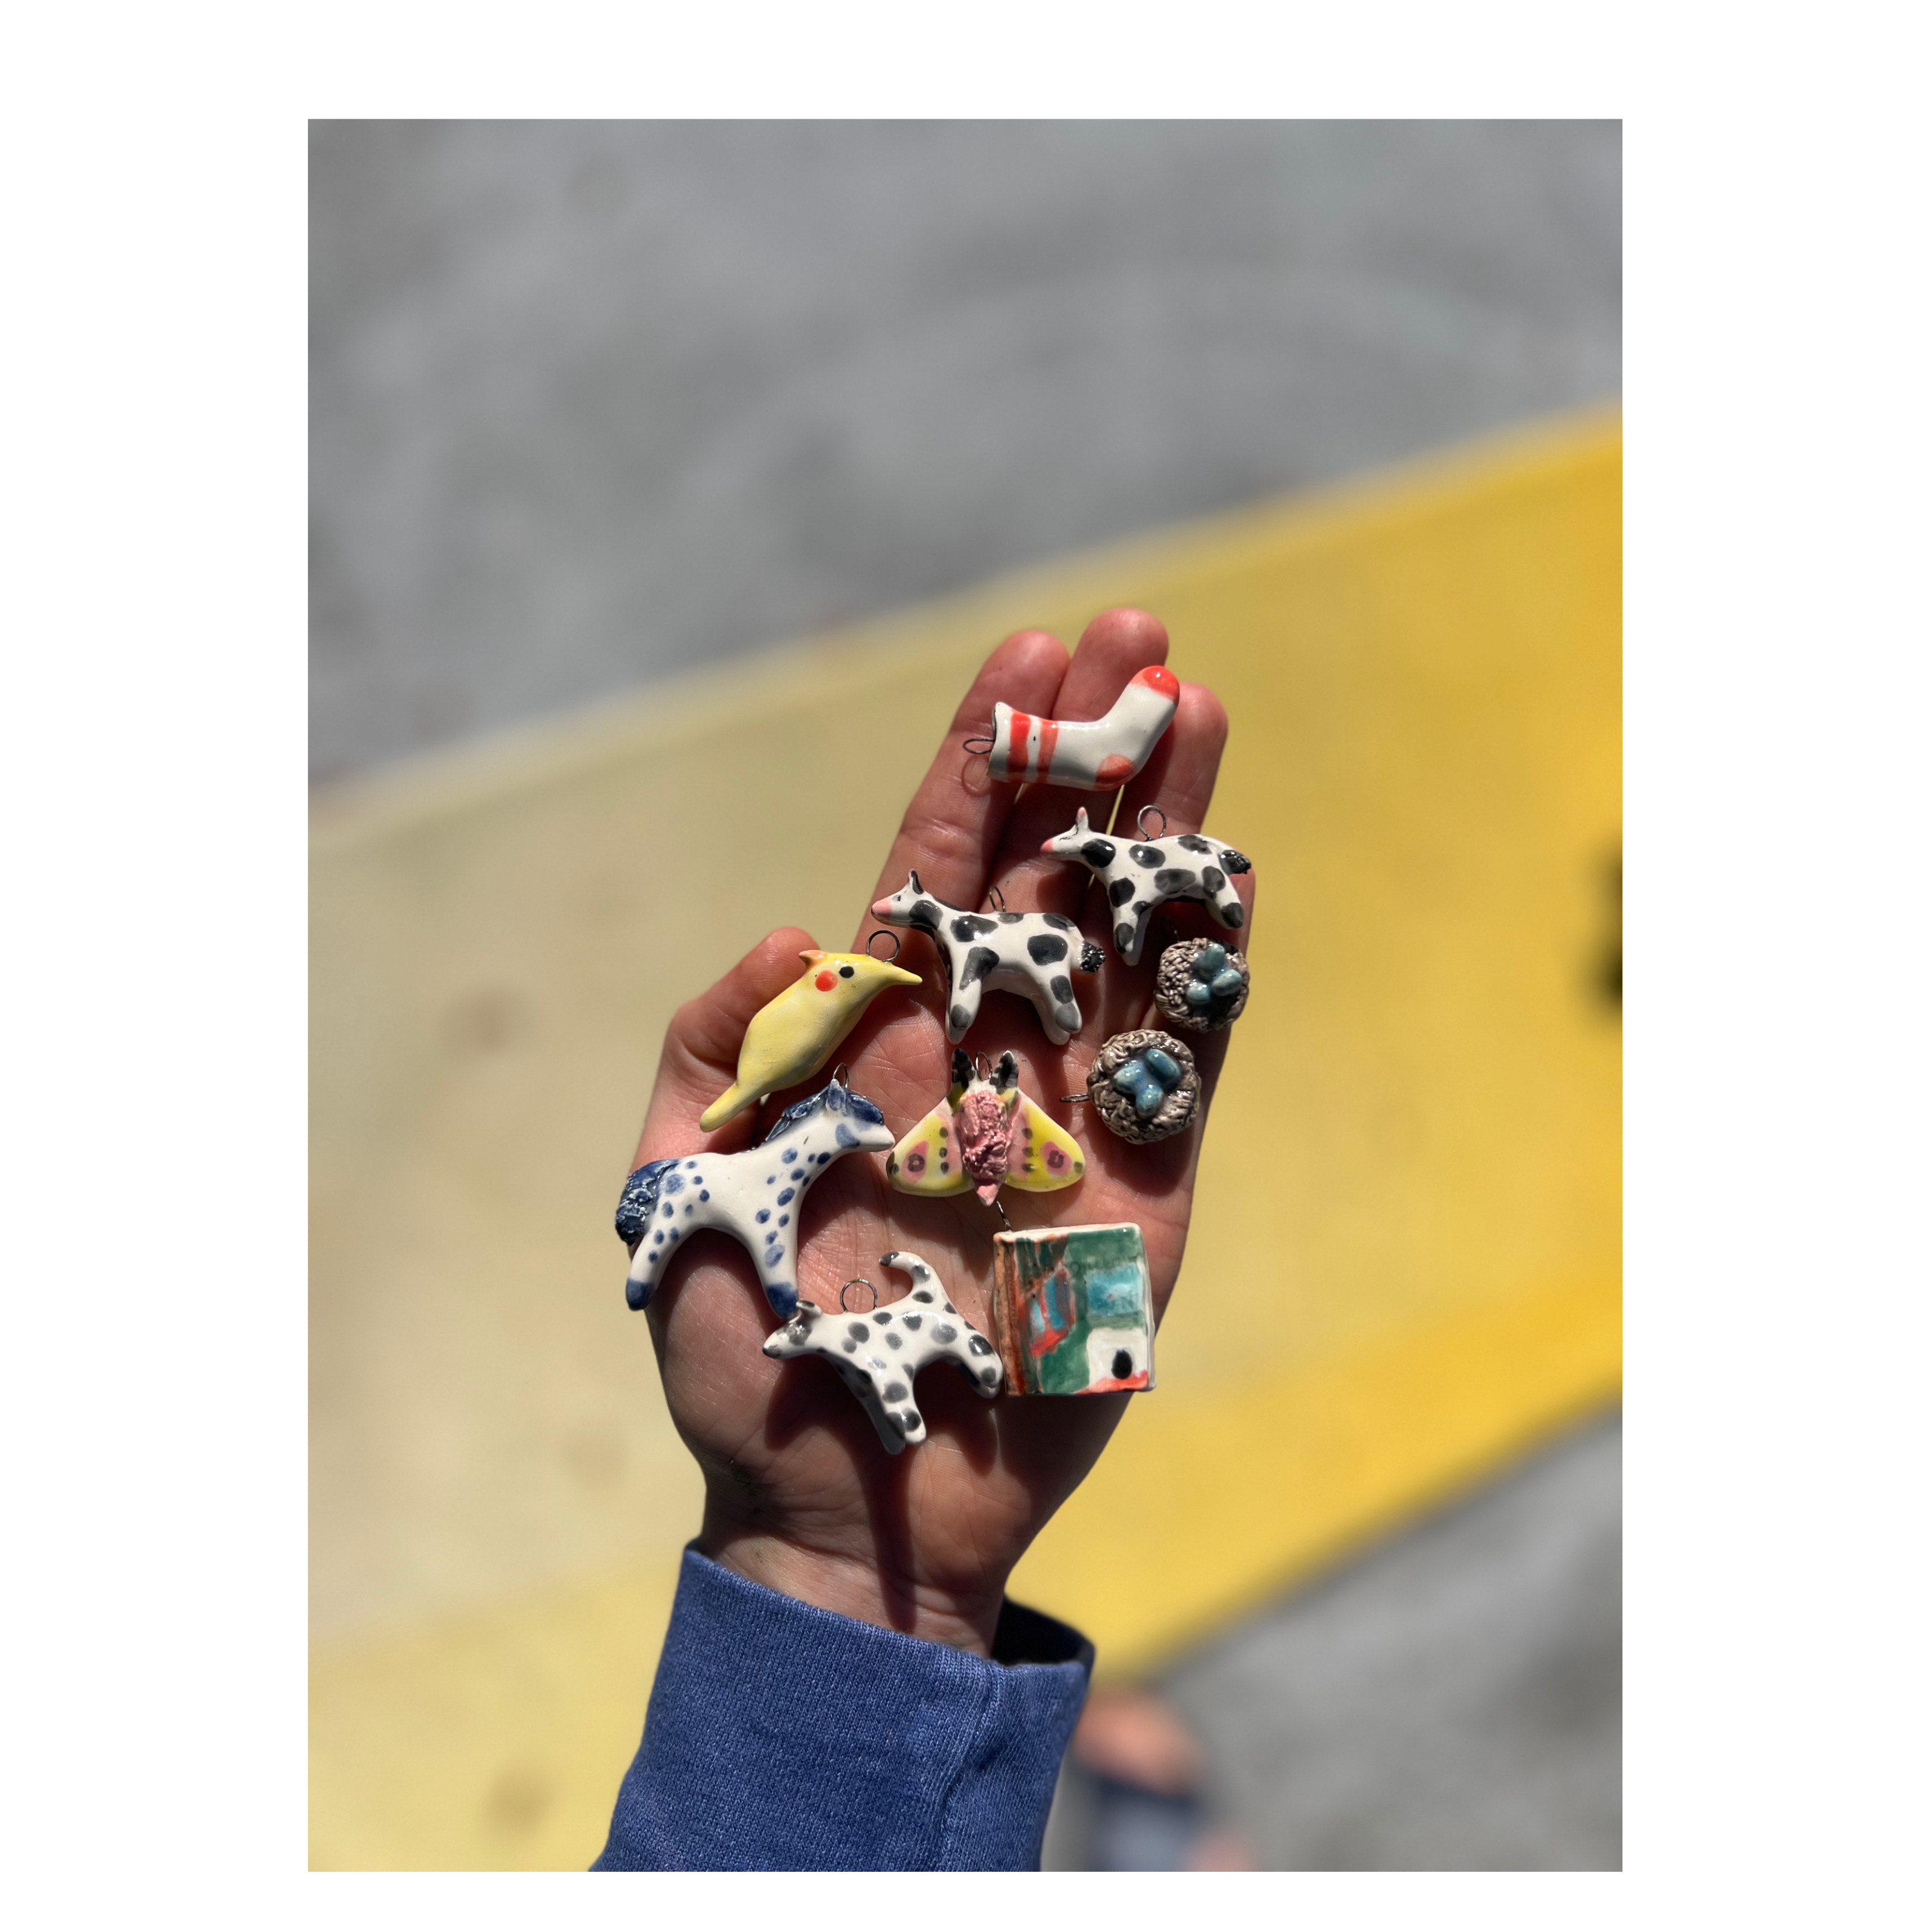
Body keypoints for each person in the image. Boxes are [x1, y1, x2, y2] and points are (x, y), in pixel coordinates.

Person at [593, 609, 1256, 1871]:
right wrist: (829, 1560)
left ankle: (1172, 1854)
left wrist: (828, 1576)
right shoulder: (953, 1141)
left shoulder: (1010, 1142)